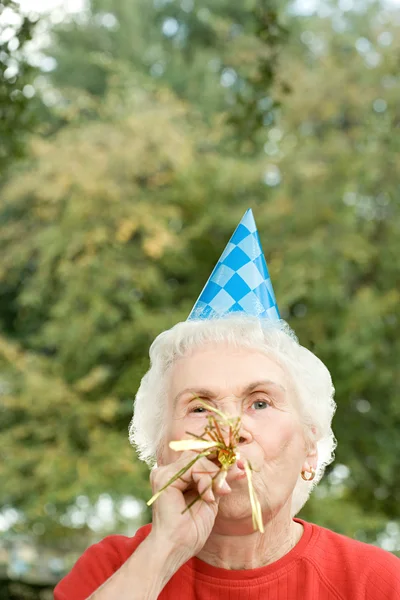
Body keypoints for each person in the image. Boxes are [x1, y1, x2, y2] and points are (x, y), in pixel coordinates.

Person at [54, 210, 400, 600]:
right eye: (200, 408)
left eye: (260, 403)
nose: (229, 428)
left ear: (309, 449)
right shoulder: (110, 571)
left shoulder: (378, 583)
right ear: (162, 450)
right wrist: (164, 550)